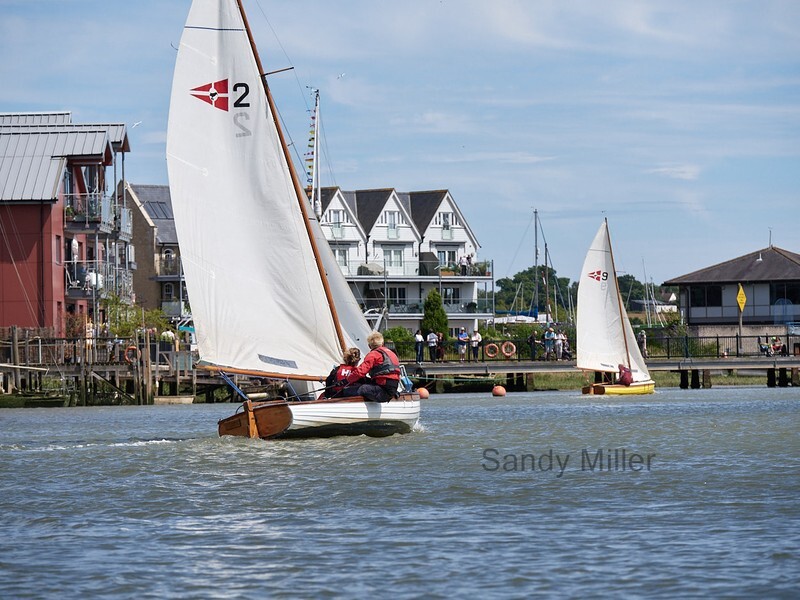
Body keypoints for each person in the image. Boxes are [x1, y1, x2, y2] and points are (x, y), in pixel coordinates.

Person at [338, 332, 401, 403]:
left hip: (383, 390)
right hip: (392, 388)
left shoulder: (373, 355)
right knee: (363, 380)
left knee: (354, 390)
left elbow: (360, 372)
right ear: (382, 343)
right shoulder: (391, 353)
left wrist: (346, 380)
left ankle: (340, 397)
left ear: (369, 346)